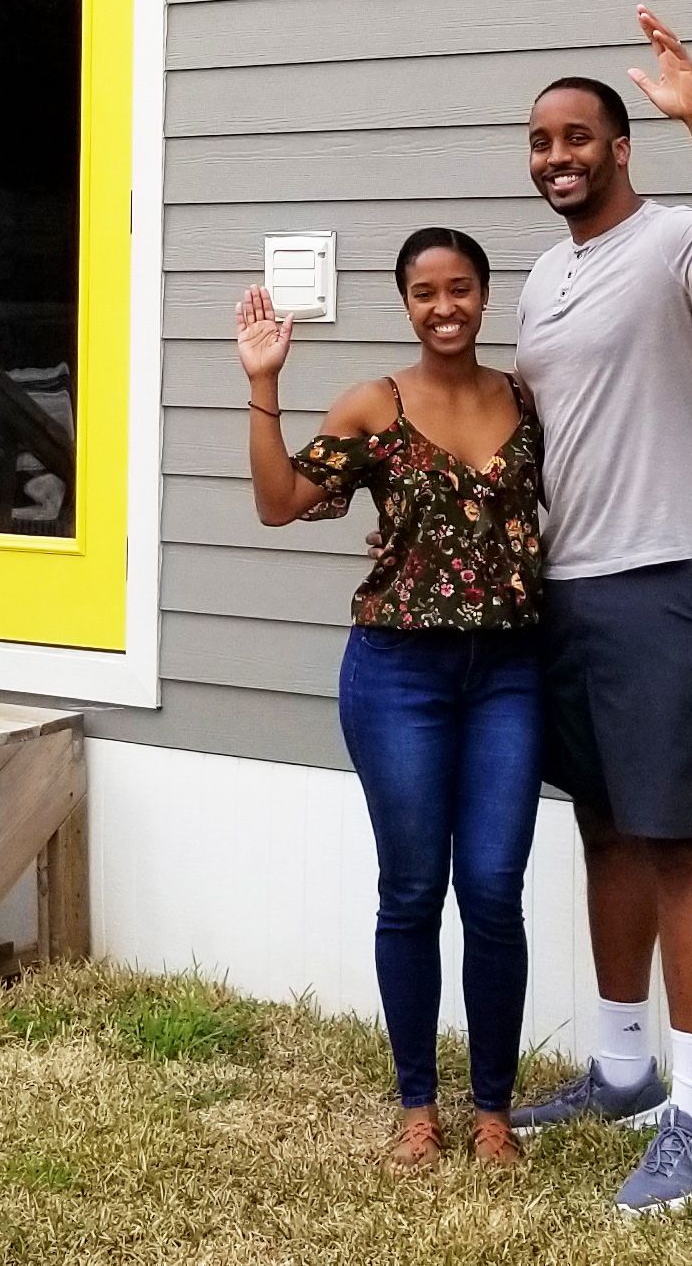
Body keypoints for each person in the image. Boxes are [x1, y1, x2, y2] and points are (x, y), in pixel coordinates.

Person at [502, 7, 692, 1216]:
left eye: (579, 135)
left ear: (622, 148)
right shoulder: (538, 274)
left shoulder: (676, 241)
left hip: (681, 573)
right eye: (539, 141)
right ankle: (620, 1070)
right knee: (610, 830)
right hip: (574, 587)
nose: (556, 154)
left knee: (676, 837)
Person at [235, 227, 548, 1170]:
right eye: (424, 292)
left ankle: (493, 1108)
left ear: (485, 298)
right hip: (399, 674)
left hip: (509, 673)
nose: (443, 307)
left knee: (493, 890)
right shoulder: (379, 403)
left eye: (460, 289)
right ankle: (420, 1105)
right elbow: (281, 500)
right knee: (412, 890)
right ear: (405, 302)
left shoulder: (526, 397)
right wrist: (263, 384)